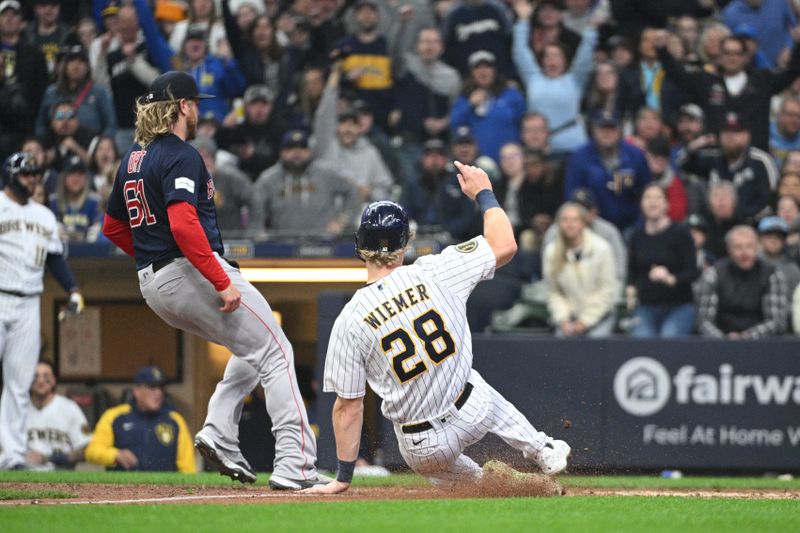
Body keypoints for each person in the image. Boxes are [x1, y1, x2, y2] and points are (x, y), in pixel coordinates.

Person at [101, 71, 323, 488]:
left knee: (254, 349)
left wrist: (153, 260)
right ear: (182, 106)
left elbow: (112, 228)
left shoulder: (133, 156)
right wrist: (219, 279)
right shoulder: (181, 154)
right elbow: (184, 225)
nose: (200, 111)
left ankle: (219, 431)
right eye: (195, 103)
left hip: (155, 283)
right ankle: (296, 465)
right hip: (188, 270)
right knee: (278, 352)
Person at [307, 162, 570, 495]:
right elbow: (505, 244)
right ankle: (541, 449)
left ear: (360, 245)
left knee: (467, 484)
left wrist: (343, 476)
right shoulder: (435, 270)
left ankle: (502, 485)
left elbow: (348, 406)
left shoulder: (350, 318)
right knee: (473, 381)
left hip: (422, 446)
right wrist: (484, 194)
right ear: (405, 244)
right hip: (472, 409)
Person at [0, 151, 84, 470]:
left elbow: (55, 259)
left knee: (19, 383)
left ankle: (12, 456)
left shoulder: (44, 215)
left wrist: (74, 290)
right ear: (9, 175)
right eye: (26, 174)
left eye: (35, 174)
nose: (32, 179)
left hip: (28, 302)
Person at [511, 0, 598, 155]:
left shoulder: (575, 80)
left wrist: (592, 29)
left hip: (573, 147)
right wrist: (523, 21)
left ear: (565, 60)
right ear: (542, 61)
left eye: (557, 56)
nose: (552, 60)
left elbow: (585, 55)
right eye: (548, 57)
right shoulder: (533, 78)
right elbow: (520, 53)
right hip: (539, 150)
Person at [85, 366, 195, 473]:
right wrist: (115, 455)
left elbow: (187, 467)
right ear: (136, 391)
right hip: (123, 489)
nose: (158, 393)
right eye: (152, 387)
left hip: (165, 489)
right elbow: (92, 451)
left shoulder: (174, 420)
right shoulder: (115, 416)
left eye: (161, 388)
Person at [250, 129, 358, 236]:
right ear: (281, 152)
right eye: (290, 148)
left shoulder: (326, 173)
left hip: (323, 243)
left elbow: (353, 191)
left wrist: (342, 220)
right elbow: (255, 207)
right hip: (282, 244)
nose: (297, 153)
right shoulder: (268, 179)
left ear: (309, 151)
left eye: (302, 148)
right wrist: (258, 231)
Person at [626, 184, 699, 338]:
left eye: (658, 198)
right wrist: (631, 291)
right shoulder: (636, 236)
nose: (653, 202)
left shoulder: (681, 233)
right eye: (648, 198)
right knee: (641, 340)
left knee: (669, 340)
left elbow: (693, 272)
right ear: (641, 204)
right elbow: (632, 271)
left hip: (678, 305)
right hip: (646, 305)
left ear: (667, 204)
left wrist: (670, 278)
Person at [679, 112, 778, 222]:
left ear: (747, 135)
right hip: (716, 226)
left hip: (752, 226)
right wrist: (696, 144)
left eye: (736, 132)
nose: (730, 137)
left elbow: (771, 200)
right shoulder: (713, 158)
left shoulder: (760, 161)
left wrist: (744, 220)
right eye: (726, 132)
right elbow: (682, 163)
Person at [563, 109, 652, 232]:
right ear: (594, 130)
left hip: (631, 226)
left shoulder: (635, 155)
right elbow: (571, 195)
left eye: (612, 128)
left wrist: (640, 224)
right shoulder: (580, 157)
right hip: (591, 227)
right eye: (602, 128)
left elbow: (647, 190)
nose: (607, 133)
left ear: (620, 130)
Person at [696, 225, 789, 339]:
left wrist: (746, 337)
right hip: (720, 343)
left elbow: (776, 321)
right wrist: (724, 340)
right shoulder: (714, 274)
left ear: (757, 247)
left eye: (749, 246)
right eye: (738, 247)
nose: (744, 253)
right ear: (729, 250)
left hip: (763, 345)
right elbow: (704, 321)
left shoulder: (772, 274)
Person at [543, 202, 618, 337]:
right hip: (568, 318)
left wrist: (585, 320)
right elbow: (553, 292)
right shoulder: (551, 252)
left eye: (575, 220)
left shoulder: (602, 248)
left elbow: (607, 289)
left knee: (596, 342)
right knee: (561, 344)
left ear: (583, 223)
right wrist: (563, 319)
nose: (569, 224)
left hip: (600, 317)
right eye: (565, 220)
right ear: (558, 224)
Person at [25, 361, 91, 471]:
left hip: (60, 477)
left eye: (46, 376)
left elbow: (85, 449)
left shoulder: (70, 408)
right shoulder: (17, 409)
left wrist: (49, 458)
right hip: (21, 477)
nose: (41, 380)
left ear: (54, 380)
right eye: (35, 376)